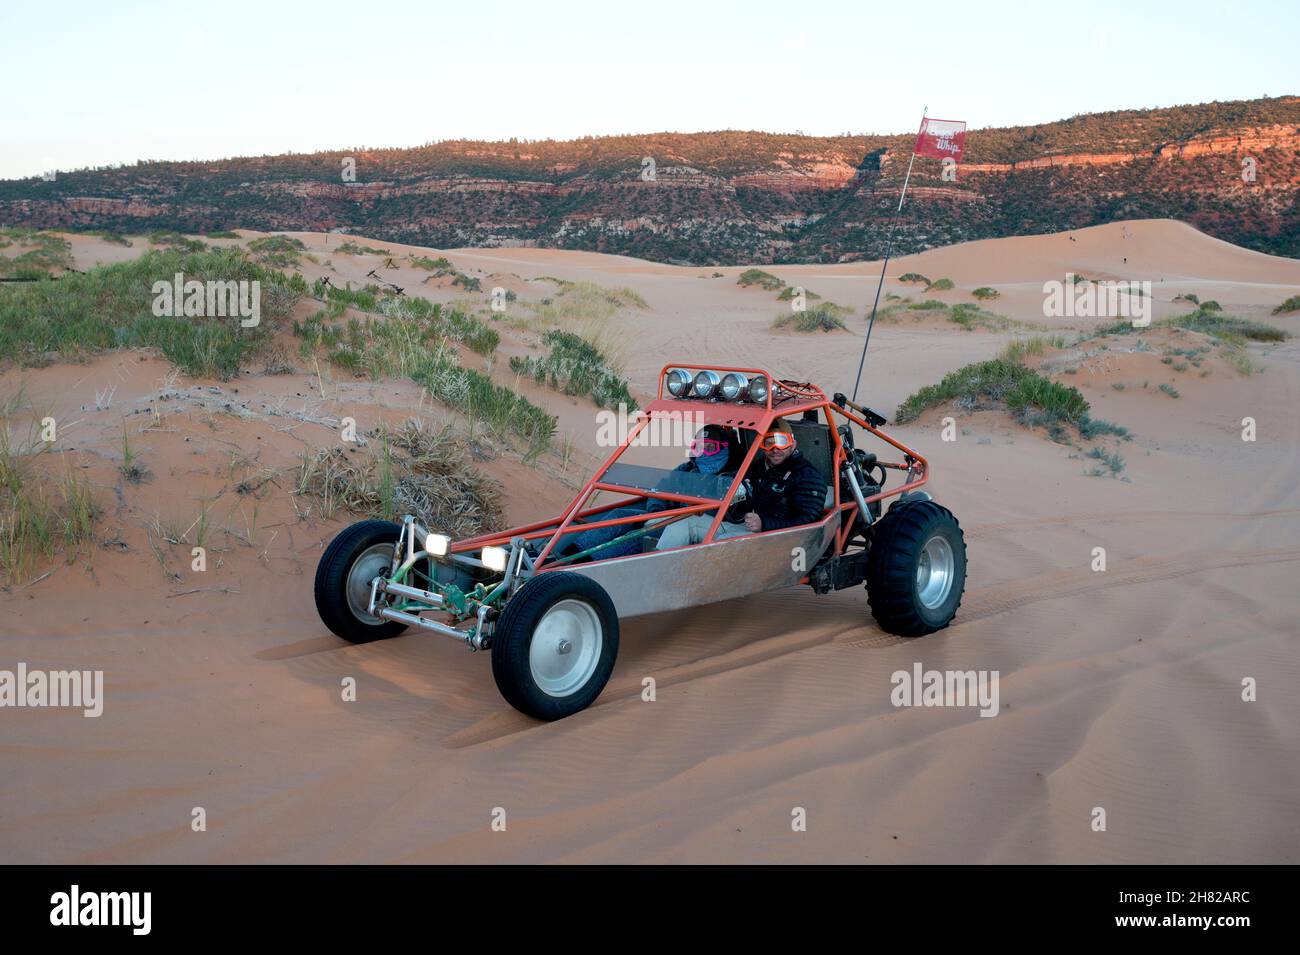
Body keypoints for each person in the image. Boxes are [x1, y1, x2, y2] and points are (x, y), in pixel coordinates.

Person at [558, 425, 740, 561]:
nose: (703, 453)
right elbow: (658, 490)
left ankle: (586, 563)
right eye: (699, 447)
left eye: (709, 448)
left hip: (686, 527)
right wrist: (655, 511)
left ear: (723, 449)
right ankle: (568, 552)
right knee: (620, 515)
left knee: (638, 537)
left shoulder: (730, 477)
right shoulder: (688, 468)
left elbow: (720, 512)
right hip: (666, 516)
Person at [655, 418, 827, 550]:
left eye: (781, 442)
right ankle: (657, 570)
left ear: (793, 444)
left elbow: (809, 522)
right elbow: (736, 484)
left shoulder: (807, 476)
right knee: (683, 523)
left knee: (722, 543)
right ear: (762, 446)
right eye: (769, 442)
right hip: (742, 525)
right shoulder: (758, 466)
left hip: (775, 537)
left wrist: (765, 524)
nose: (775, 449)